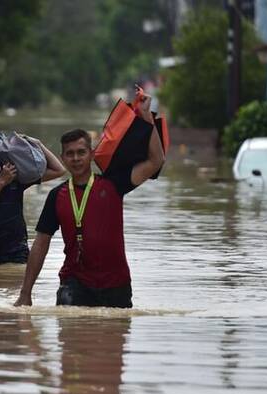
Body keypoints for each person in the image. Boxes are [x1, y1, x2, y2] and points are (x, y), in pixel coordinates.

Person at [14, 93, 164, 308]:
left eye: (81, 152)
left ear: (92, 154)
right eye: (70, 154)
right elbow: (40, 244)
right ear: (63, 157)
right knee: (71, 333)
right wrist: (25, 293)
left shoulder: (115, 184)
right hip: (74, 283)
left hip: (116, 283)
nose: (76, 158)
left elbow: (156, 160)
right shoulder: (57, 196)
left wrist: (146, 116)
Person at [0, 123, 66, 265]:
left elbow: (58, 170)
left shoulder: (16, 172)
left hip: (17, 253)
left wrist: (38, 144)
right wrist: (2, 181)